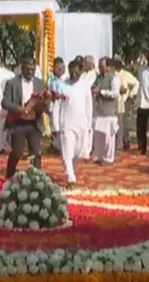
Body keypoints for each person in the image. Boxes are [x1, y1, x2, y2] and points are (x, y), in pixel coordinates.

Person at [2, 57, 46, 178]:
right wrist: (19, 109)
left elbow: (45, 103)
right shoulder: (12, 83)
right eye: (27, 69)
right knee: (17, 152)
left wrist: (44, 105)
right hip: (18, 123)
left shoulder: (40, 83)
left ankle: (37, 179)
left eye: (33, 70)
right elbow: (5, 103)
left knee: (36, 153)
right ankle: (9, 176)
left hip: (34, 123)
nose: (30, 72)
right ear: (22, 68)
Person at [59, 60, 93, 188]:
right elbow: (58, 106)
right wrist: (57, 126)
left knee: (76, 152)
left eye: (76, 71)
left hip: (82, 125)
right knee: (67, 152)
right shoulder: (63, 86)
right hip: (67, 125)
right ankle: (71, 178)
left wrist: (89, 126)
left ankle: (70, 170)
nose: (73, 74)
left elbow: (89, 108)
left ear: (80, 71)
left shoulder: (85, 86)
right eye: (71, 71)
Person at [91, 57, 121, 165]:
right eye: (99, 66)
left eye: (102, 66)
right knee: (98, 136)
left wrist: (101, 92)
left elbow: (114, 93)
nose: (99, 68)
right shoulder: (98, 78)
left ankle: (108, 158)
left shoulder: (114, 79)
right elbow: (94, 87)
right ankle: (98, 156)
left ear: (108, 67)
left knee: (108, 138)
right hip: (99, 111)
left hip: (109, 112)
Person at [111, 56, 138, 150]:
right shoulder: (111, 75)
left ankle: (126, 141)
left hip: (124, 101)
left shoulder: (125, 74)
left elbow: (136, 83)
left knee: (124, 122)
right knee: (114, 122)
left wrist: (131, 94)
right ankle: (115, 142)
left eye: (116, 63)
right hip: (112, 102)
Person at [47, 57, 68, 152]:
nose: (57, 71)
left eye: (59, 69)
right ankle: (56, 146)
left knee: (63, 125)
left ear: (63, 68)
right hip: (54, 104)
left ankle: (64, 147)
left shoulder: (67, 80)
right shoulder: (51, 80)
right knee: (54, 125)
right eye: (55, 68)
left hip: (64, 106)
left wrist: (61, 96)